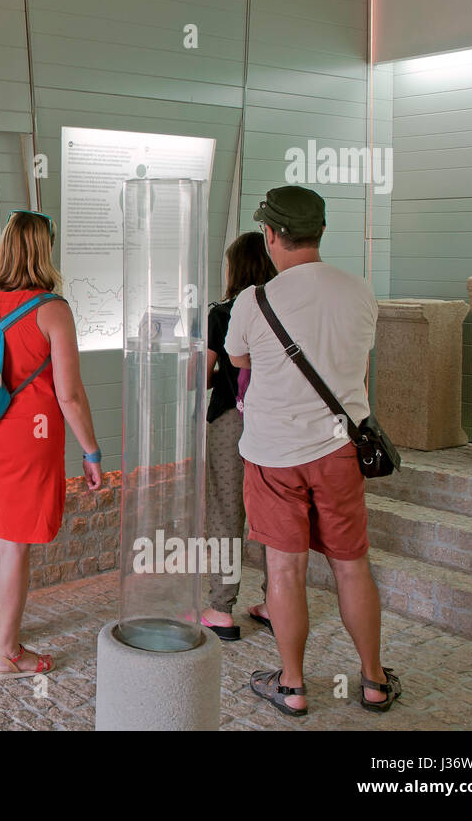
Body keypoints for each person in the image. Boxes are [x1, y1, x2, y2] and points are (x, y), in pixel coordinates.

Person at [225, 186, 400, 716]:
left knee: (285, 570)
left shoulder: (253, 300)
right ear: (320, 232)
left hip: (273, 455)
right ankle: (373, 680)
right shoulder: (360, 291)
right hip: (339, 451)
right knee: (352, 567)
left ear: (271, 235)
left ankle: (293, 686)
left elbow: (238, 359)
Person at [0, 210, 103, 680]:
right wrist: (92, 451)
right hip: (27, 437)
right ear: (46, 249)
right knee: (14, 545)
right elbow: (70, 395)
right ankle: (7, 655)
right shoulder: (52, 310)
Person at [201, 232, 276, 642]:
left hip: (231, 420)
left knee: (227, 513)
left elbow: (204, 374)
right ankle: (275, 604)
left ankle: (221, 608)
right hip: (274, 423)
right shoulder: (283, 308)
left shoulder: (223, 314)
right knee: (271, 515)